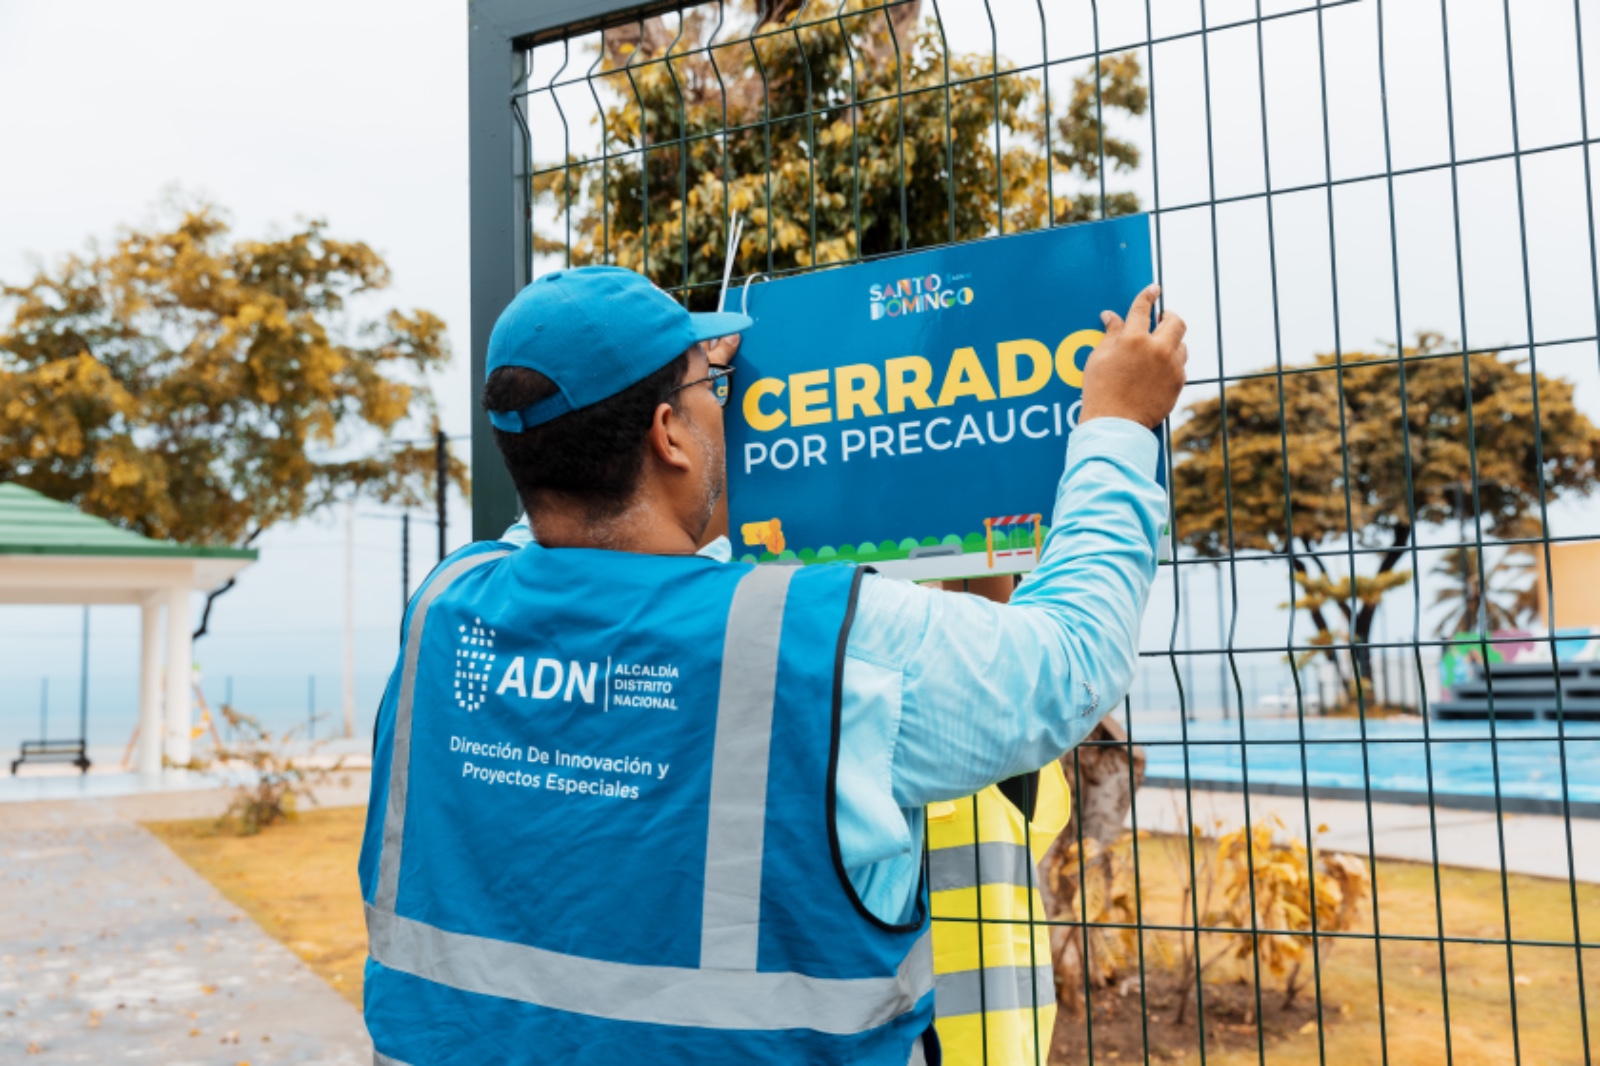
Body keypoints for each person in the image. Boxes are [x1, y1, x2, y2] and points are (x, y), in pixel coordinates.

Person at [358, 265, 1186, 1065]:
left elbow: (562, 513)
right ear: (667, 434)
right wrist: (1116, 427)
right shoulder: (814, 643)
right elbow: (1070, 658)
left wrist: (666, 399)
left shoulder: (444, 608)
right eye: (703, 392)